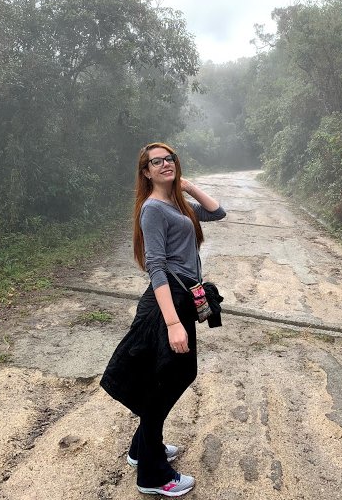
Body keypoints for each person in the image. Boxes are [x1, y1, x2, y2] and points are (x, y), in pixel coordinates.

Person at [100, 142, 226, 497]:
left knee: (166, 377)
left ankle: (141, 449)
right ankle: (153, 475)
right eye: (157, 161)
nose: (166, 163)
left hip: (182, 296)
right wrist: (172, 323)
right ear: (146, 172)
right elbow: (155, 266)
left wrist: (186, 186)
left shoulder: (176, 204)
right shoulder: (153, 209)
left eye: (170, 158)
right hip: (166, 302)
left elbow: (217, 212)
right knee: (170, 379)